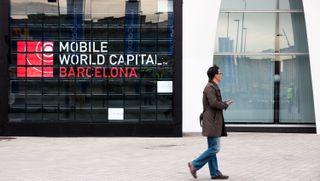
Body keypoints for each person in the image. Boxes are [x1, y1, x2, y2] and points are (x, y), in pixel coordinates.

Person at [188, 65, 233, 180]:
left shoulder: (213, 87)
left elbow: (214, 102)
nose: (221, 75)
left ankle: (215, 173)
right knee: (215, 148)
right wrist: (224, 104)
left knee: (212, 148)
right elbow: (213, 103)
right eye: (220, 73)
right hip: (212, 121)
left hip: (213, 120)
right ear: (215, 75)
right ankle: (194, 164)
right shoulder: (210, 88)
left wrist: (223, 103)